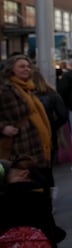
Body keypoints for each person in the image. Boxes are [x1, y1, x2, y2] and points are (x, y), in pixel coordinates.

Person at [0, 55, 53, 184]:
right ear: (11, 69)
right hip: (19, 147)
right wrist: (3, 128)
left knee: (42, 185)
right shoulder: (4, 89)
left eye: (28, 66)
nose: (26, 69)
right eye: (22, 66)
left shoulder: (28, 87)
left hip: (36, 145)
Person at [30, 67, 69, 167]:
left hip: (30, 134)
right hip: (49, 132)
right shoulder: (52, 94)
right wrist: (53, 126)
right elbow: (63, 115)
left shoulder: (26, 95)